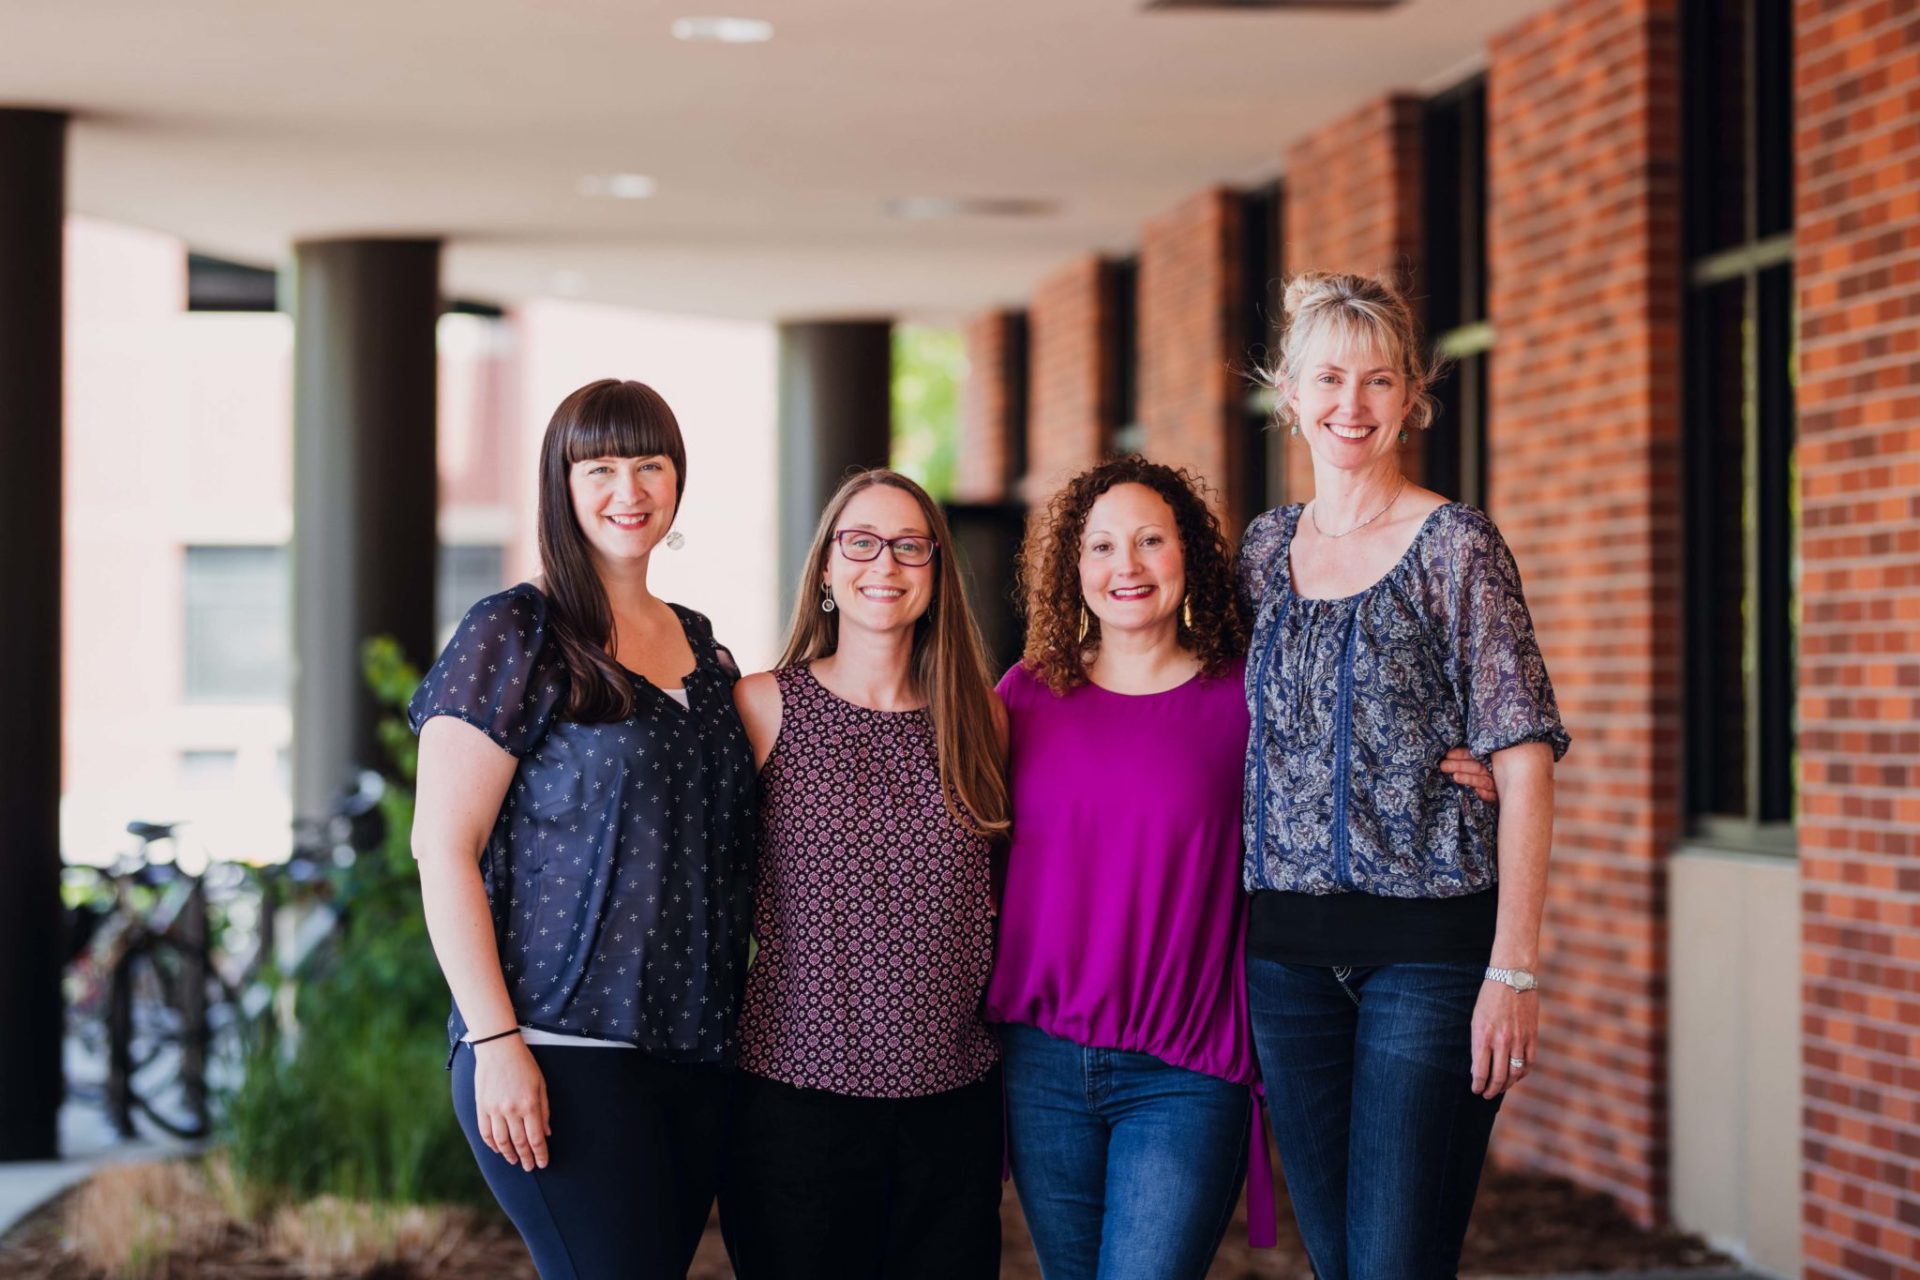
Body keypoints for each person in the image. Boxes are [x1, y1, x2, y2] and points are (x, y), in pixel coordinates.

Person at [987, 456, 1497, 1280]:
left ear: (1188, 554)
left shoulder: (1249, 699)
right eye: (1103, 546)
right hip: (1041, 1063)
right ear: (1070, 567)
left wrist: (1464, 759)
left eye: (1151, 540)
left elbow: (1354, 734)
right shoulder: (1023, 696)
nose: (1128, 566)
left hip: (1185, 1068)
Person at [1240, 272, 1569, 1280]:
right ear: (1289, 392)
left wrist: (1513, 969)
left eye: (1379, 381)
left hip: (1430, 954)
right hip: (1284, 957)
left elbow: (1524, 755)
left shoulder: (1455, 545)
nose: (1353, 404)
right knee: (1339, 1259)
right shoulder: (1261, 550)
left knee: (1395, 1261)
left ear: (1411, 395)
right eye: (1330, 378)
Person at [407, 379, 756, 1280]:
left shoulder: (705, 651)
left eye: (650, 465)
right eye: (599, 468)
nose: (628, 490)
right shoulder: (516, 630)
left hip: (694, 1055)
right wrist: (494, 1043)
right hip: (561, 1050)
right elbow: (442, 848)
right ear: (560, 486)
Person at [719, 469, 1007, 1280]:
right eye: (862, 543)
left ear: (937, 571)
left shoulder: (980, 717)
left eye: (910, 546)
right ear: (826, 570)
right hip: (794, 1098)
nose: (886, 564)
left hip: (951, 1103)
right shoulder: (762, 706)